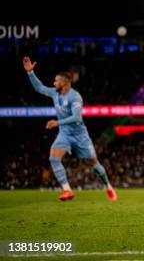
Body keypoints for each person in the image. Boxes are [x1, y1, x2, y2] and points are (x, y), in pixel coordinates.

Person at [22, 56, 117, 201]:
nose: (53, 83)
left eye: (56, 81)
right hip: (65, 134)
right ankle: (67, 190)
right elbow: (39, 88)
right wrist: (30, 72)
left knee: (94, 164)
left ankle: (108, 186)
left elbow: (77, 117)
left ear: (64, 83)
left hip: (80, 136)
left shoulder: (75, 97)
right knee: (54, 157)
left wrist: (57, 123)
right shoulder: (55, 93)